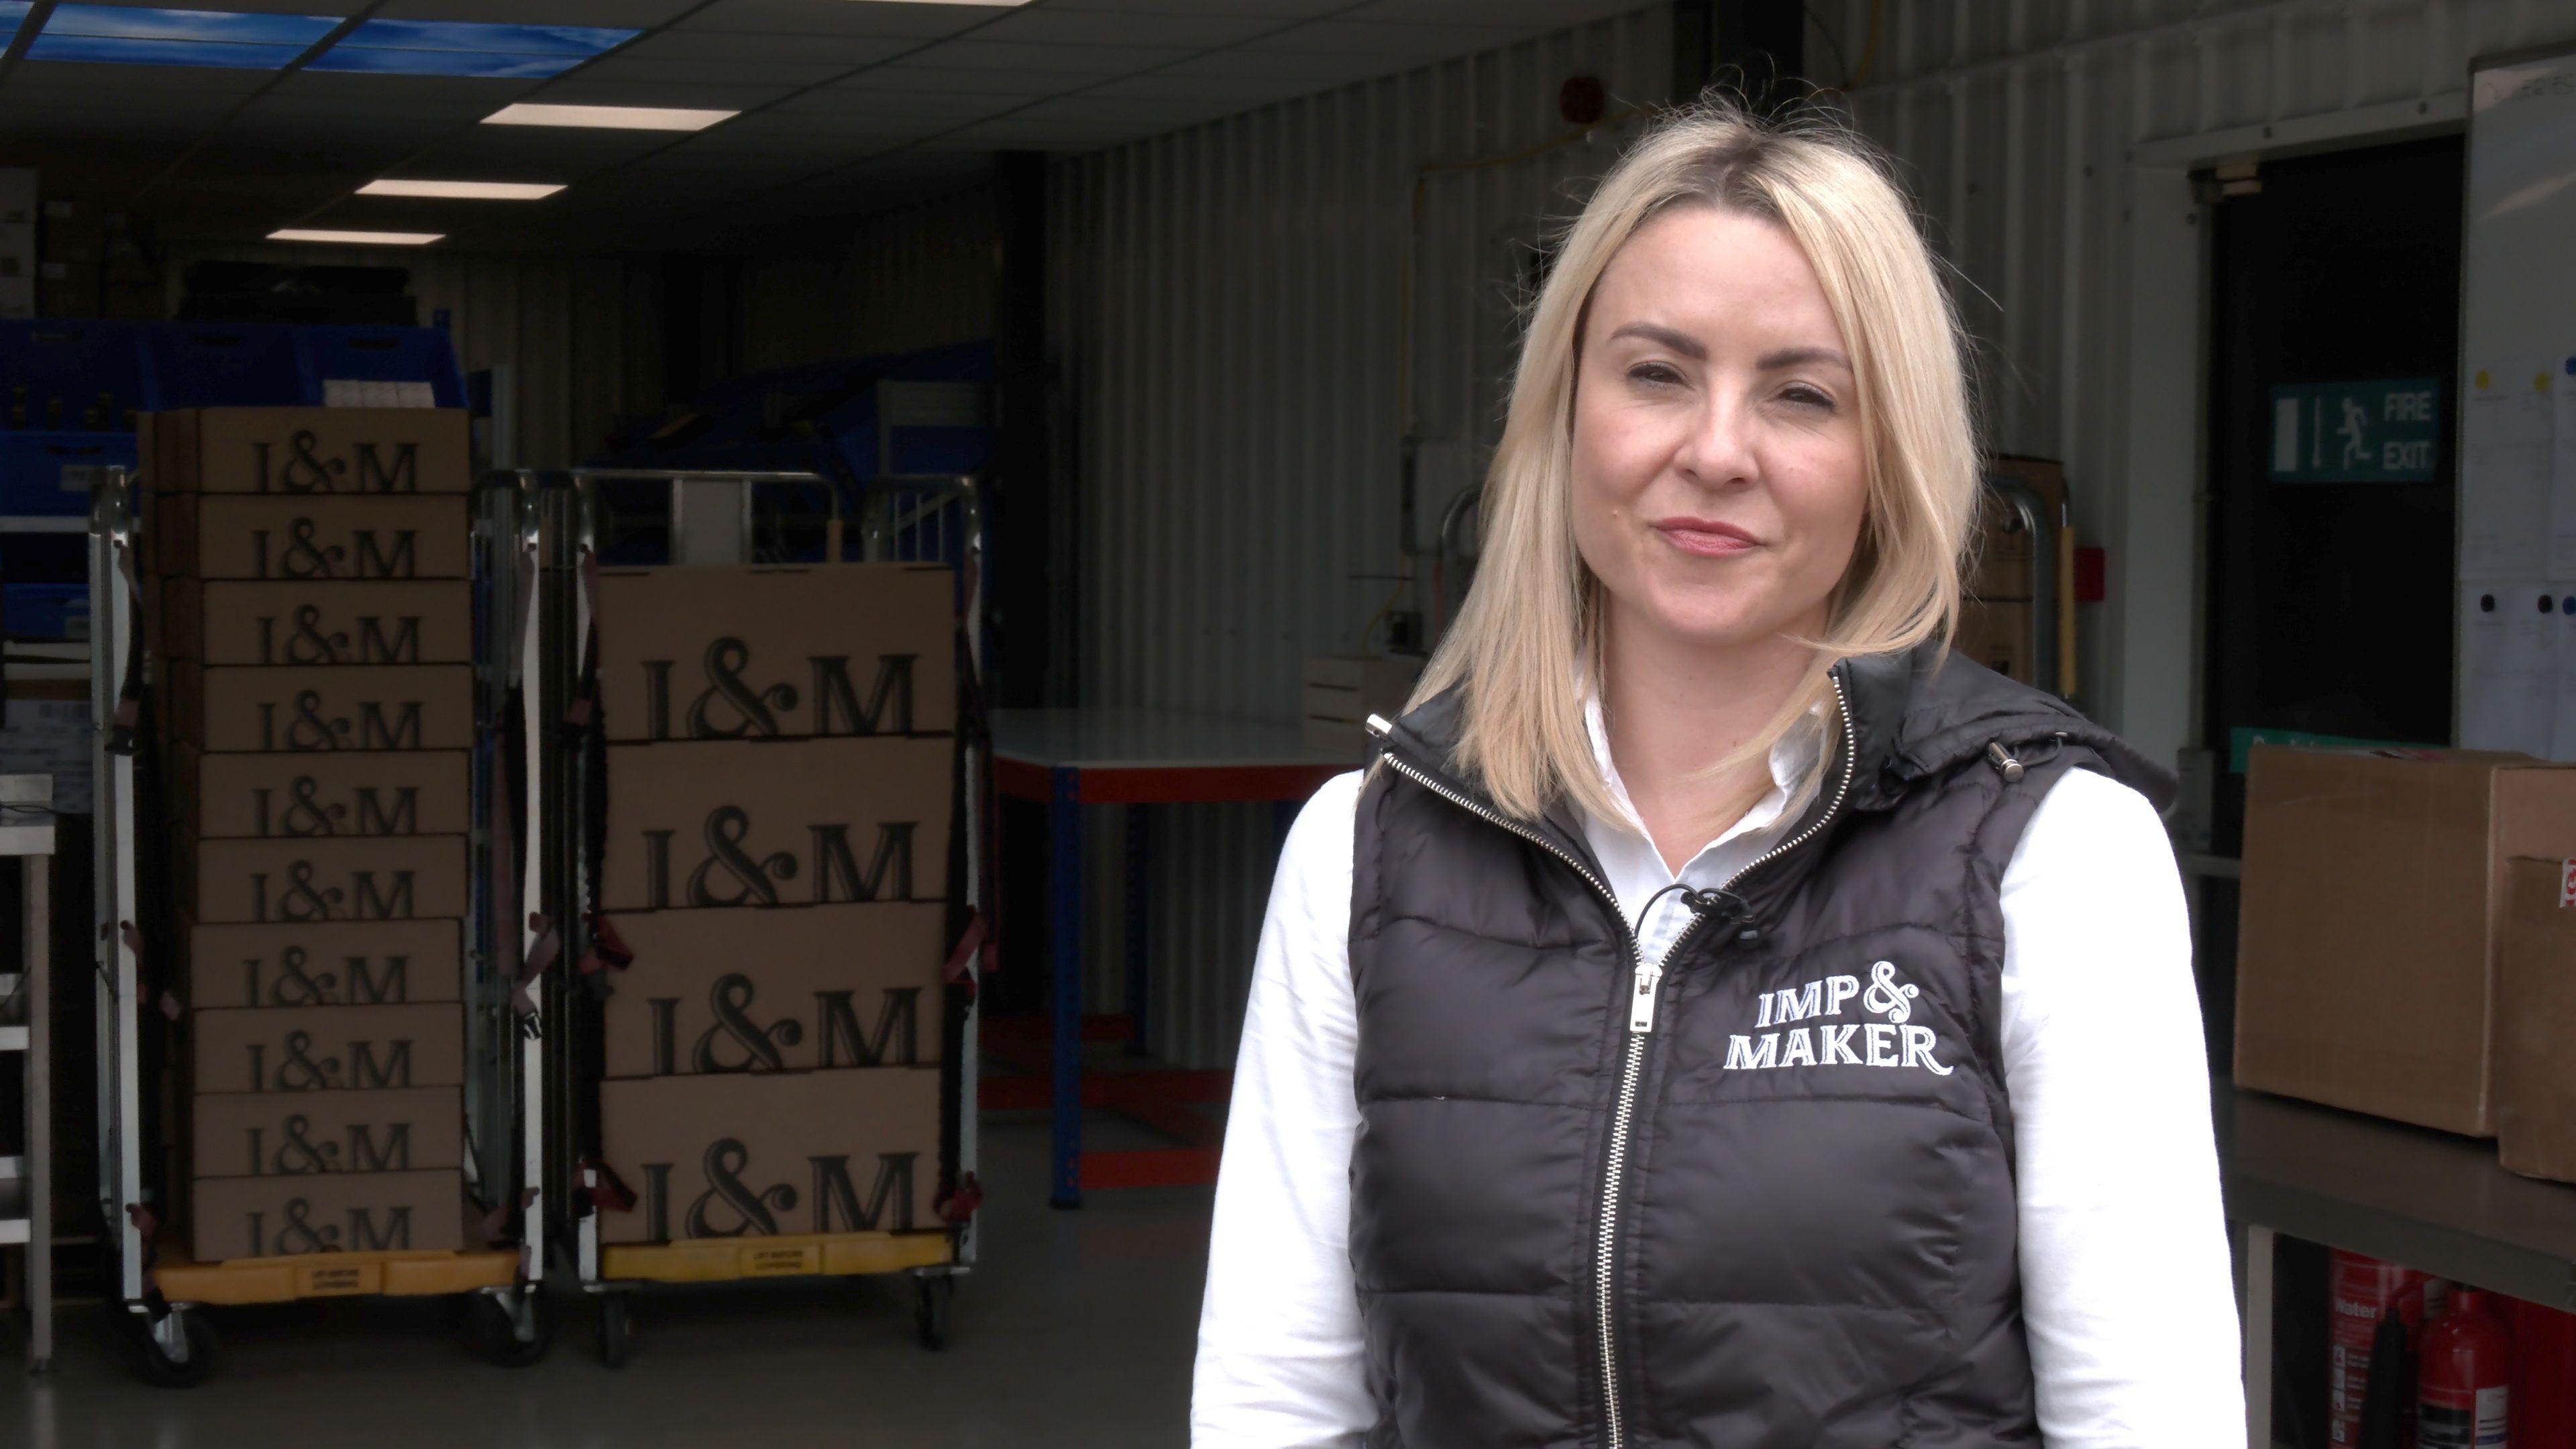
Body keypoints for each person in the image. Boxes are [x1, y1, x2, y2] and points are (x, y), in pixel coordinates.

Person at [1191, 98, 2242, 1448]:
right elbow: (1275, 1399)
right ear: (1567, 413)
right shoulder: (1368, 850)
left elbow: (2148, 1416)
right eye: (1657, 372)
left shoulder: (2051, 854)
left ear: (1888, 459)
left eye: (1801, 393)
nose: (1717, 450)